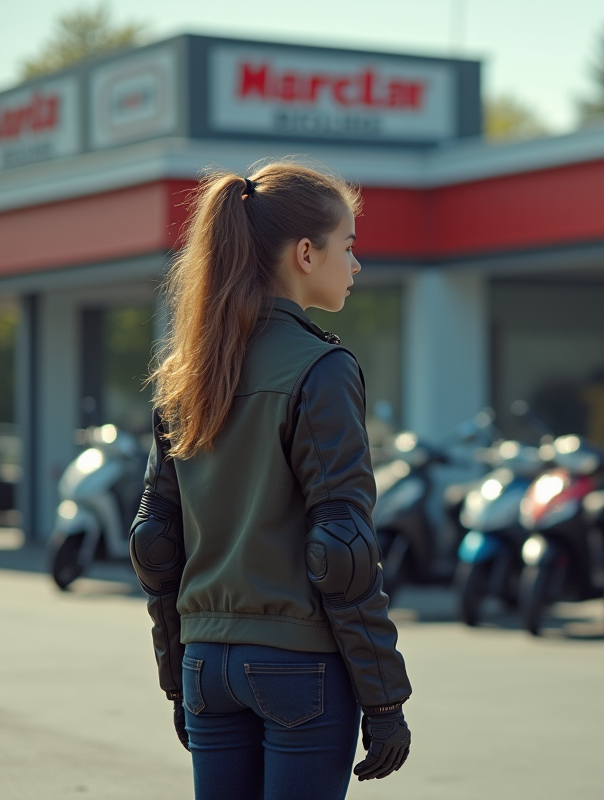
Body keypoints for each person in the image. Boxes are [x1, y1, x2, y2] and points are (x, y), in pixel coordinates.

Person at [127, 161, 412, 800]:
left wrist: (178, 677)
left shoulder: (189, 369)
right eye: (348, 246)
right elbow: (341, 549)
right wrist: (385, 700)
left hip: (206, 663)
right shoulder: (322, 367)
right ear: (306, 254)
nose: (356, 264)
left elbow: (155, 541)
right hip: (298, 666)